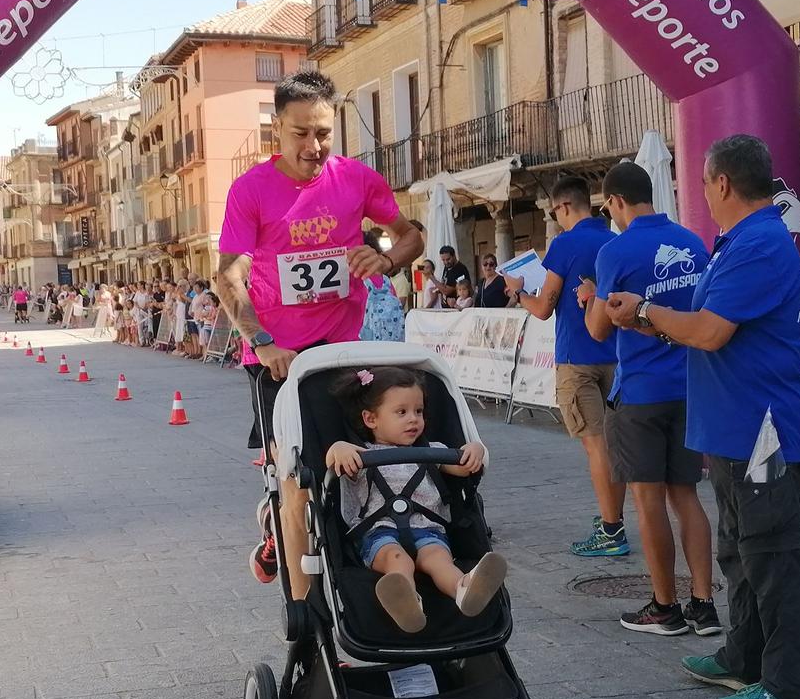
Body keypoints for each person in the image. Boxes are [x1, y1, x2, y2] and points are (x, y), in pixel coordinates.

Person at [603, 134, 800, 699]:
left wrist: (645, 312)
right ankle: (744, 655)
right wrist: (648, 322)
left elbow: (708, 331)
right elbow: (700, 325)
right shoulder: (737, 243)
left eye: (701, 181)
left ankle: (791, 685)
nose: (699, 192)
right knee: (739, 550)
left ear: (722, 183)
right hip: (734, 426)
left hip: (762, 429)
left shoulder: (757, 244)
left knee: (773, 554)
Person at [214, 69, 423, 589]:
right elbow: (227, 276)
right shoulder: (251, 190)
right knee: (296, 481)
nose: (313, 146)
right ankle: (302, 599)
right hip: (277, 357)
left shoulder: (356, 178)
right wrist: (263, 343)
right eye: (300, 133)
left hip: (341, 353)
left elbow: (411, 236)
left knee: (353, 463)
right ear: (277, 132)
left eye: (323, 132)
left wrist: (388, 260)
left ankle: (366, 565)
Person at [584, 159, 721, 638]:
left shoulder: (616, 250)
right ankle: (704, 604)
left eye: (610, 208)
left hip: (640, 389)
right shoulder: (691, 241)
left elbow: (599, 330)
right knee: (686, 496)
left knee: (647, 502)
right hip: (691, 385)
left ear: (617, 202)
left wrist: (590, 299)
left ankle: (664, 607)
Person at [326, 365, 506, 633]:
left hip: (427, 527)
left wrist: (474, 449)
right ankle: (406, 600)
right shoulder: (359, 455)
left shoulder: (431, 451)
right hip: (379, 531)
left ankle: (464, 589)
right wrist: (336, 448)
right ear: (371, 419)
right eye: (402, 412)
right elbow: (333, 461)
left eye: (418, 411)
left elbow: (462, 465)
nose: (414, 419)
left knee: (438, 559)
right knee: (398, 560)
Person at [517, 175, 629, 558]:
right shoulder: (614, 240)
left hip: (576, 359)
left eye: (554, 212)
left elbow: (544, 308)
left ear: (564, 207)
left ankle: (612, 530)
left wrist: (518, 292)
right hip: (615, 356)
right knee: (612, 444)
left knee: (595, 445)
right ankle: (613, 517)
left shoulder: (564, 243)